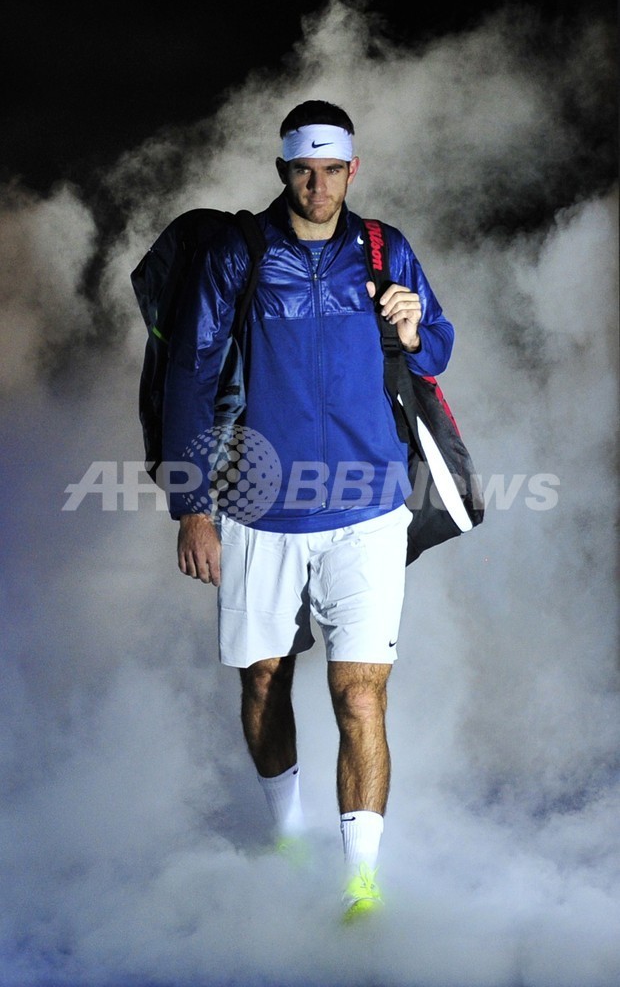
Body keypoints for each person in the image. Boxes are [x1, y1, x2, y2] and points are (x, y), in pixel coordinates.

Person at [162, 100, 454, 922]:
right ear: (283, 169)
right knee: (265, 679)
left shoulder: (383, 248)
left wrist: (416, 329)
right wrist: (191, 505)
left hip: (368, 509)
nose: (318, 186)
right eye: (303, 170)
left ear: (352, 170)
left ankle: (361, 885)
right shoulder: (240, 253)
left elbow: (435, 349)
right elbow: (190, 373)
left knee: (360, 696)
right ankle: (287, 841)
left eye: (332, 170)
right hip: (262, 510)